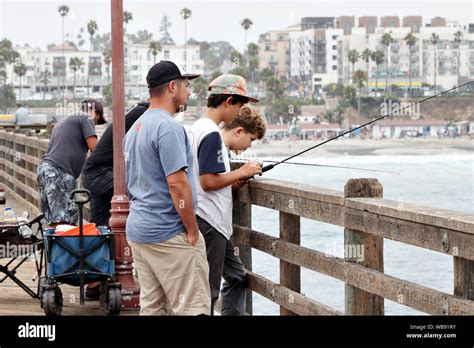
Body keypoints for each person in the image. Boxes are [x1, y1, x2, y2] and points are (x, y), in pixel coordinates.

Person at [124, 60, 211, 315]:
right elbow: (177, 183)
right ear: (172, 86)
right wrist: (192, 230)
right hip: (168, 232)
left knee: (153, 307)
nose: (189, 91)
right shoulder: (168, 127)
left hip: (141, 231)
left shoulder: (135, 128)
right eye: (186, 85)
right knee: (192, 307)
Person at [189, 75, 264, 315]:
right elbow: (208, 181)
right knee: (208, 291)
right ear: (228, 100)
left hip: (210, 221)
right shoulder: (211, 133)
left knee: (237, 277)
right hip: (209, 221)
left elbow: (204, 178)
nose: (240, 111)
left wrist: (231, 181)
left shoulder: (196, 129)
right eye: (240, 105)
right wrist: (242, 171)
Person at [37, 99, 106, 227]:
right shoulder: (86, 117)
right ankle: (65, 247)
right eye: (97, 120)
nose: (95, 125)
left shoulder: (65, 119)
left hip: (46, 169)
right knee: (64, 221)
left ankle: (55, 247)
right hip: (59, 172)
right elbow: (95, 148)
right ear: (95, 112)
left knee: (54, 220)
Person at [82, 102, 149, 227]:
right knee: (145, 197)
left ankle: (105, 246)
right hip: (102, 173)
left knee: (101, 227)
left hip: (93, 172)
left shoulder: (136, 110)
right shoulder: (145, 113)